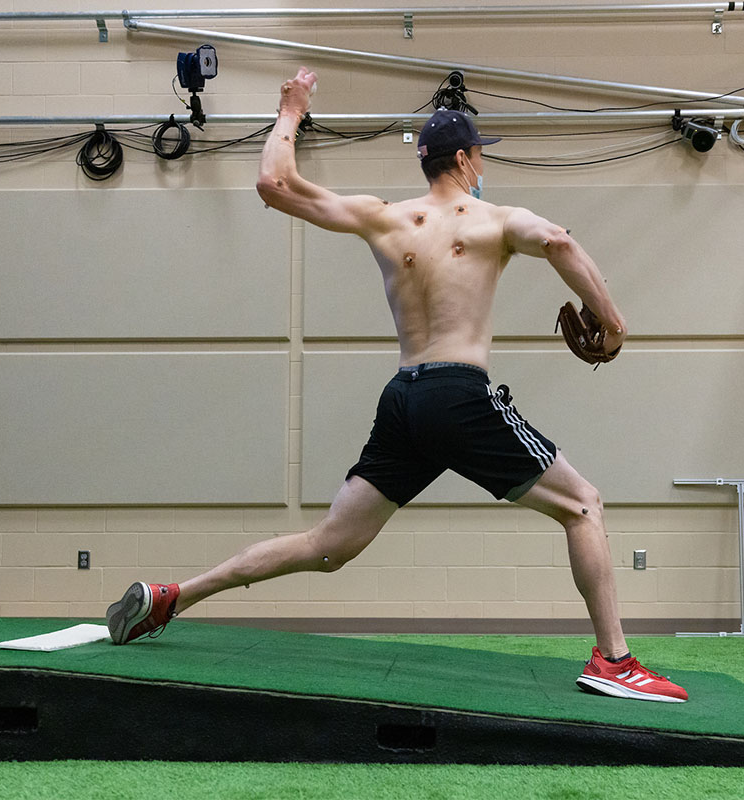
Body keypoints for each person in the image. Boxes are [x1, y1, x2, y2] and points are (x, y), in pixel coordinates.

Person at [107, 67, 688, 704]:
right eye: (478, 158)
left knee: (328, 546)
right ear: (465, 159)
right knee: (583, 505)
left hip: (404, 398)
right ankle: (615, 662)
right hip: (459, 394)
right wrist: (614, 322)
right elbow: (557, 241)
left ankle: (172, 597)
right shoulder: (492, 219)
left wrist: (292, 110)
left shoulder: (384, 218)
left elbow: (273, 183)